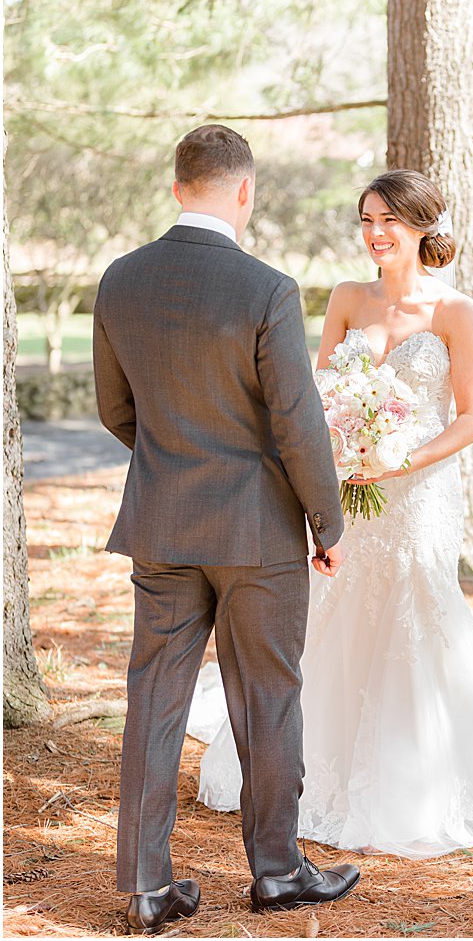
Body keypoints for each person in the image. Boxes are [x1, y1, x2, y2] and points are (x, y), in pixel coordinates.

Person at [189, 168, 473, 859]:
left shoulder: (456, 313)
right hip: (349, 487)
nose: (375, 234)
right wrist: (336, 451)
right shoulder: (345, 297)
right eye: (366, 220)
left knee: (415, 609)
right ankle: (300, 773)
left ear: (422, 225)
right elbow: (314, 395)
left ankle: (413, 779)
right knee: (330, 611)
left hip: (418, 492)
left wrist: (402, 457)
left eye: (388, 220)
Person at [94, 124, 361, 934]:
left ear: (178, 187)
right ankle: (277, 872)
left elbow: (115, 410)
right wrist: (327, 519)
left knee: (155, 701)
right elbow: (298, 423)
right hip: (258, 535)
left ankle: (146, 886)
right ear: (245, 192)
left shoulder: (119, 280)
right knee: (268, 701)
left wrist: (176, 464)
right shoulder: (268, 289)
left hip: (163, 529)